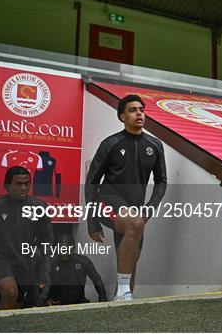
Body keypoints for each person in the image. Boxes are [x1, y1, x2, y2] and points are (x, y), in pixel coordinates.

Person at [86, 94, 167, 301]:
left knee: (131, 261)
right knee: (134, 222)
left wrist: (150, 207)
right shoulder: (110, 143)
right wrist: (92, 221)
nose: (139, 113)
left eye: (141, 109)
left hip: (137, 209)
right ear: (122, 116)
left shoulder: (155, 145)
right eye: (132, 110)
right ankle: (123, 291)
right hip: (107, 200)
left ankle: (120, 300)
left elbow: (161, 181)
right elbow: (92, 181)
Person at [0, 166, 53, 309]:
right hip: (0, 258)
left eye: (27, 183)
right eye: (18, 184)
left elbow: (46, 240)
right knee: (10, 292)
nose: (23, 188)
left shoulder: (40, 207)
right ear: (7, 186)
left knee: (33, 300)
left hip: (26, 258)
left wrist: (45, 271)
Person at [46, 234, 107, 305]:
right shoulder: (51, 263)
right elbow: (42, 283)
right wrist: (47, 299)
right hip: (57, 304)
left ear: (73, 248)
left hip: (78, 303)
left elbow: (97, 280)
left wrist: (102, 302)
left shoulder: (83, 261)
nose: (63, 253)